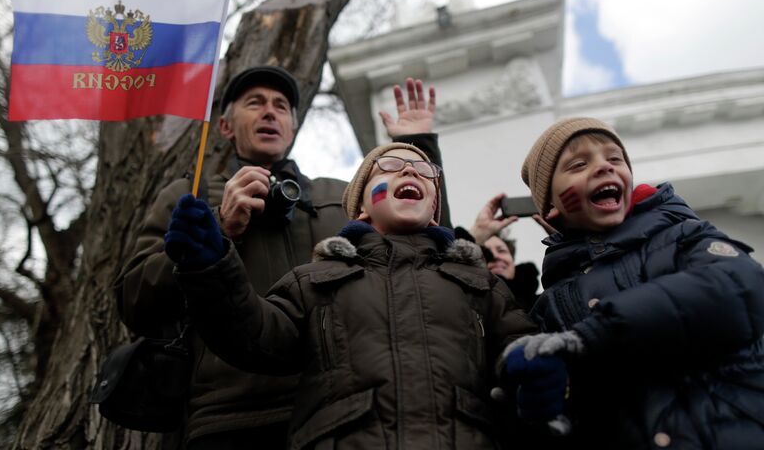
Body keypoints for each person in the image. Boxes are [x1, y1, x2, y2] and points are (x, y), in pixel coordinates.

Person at [114, 66, 450, 449]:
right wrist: (219, 229)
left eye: (281, 106)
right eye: (254, 103)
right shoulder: (190, 196)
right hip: (230, 418)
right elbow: (133, 301)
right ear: (225, 126)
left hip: (345, 414)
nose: (270, 112)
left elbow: (428, 255)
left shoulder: (344, 200)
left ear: (292, 126)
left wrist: (418, 147)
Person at [164, 142, 539, 449]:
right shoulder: (316, 281)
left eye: (425, 171)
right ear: (361, 207)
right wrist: (211, 264)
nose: (410, 171)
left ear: (433, 211)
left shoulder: (478, 284)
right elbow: (254, 335)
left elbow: (521, 351)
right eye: (390, 166)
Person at [500, 117, 764, 449]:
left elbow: (739, 285)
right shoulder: (551, 305)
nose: (604, 168)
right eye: (579, 164)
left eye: (615, 159)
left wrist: (597, 333)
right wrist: (545, 408)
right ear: (550, 210)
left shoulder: (685, 234)